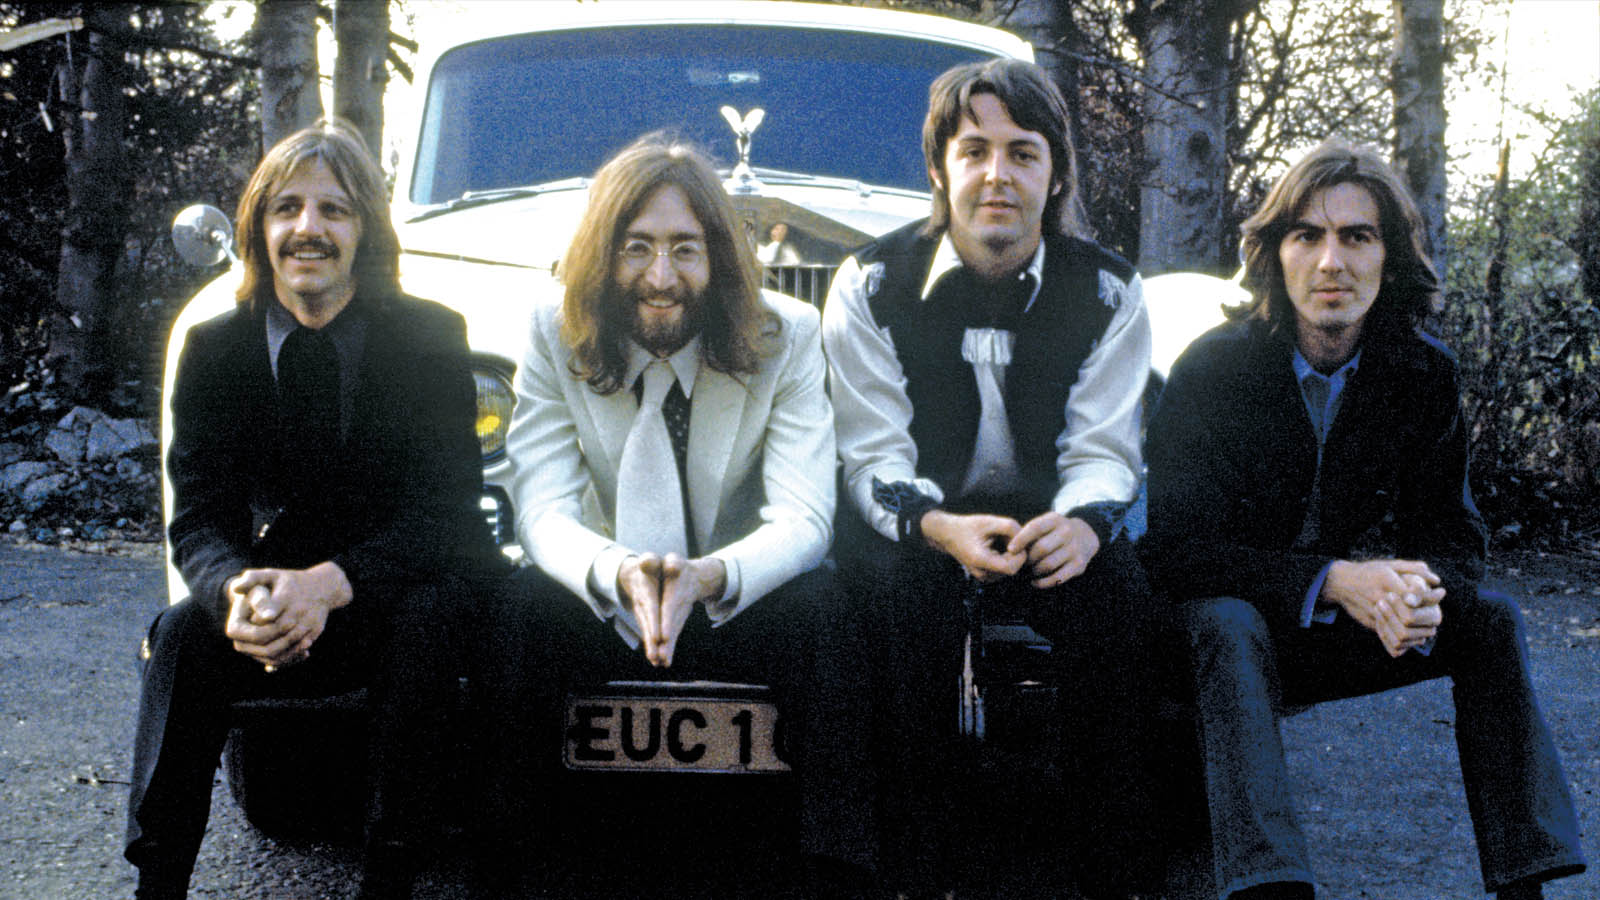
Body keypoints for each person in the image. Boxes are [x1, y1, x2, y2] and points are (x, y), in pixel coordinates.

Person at [1140, 139, 1587, 900]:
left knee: (1488, 621)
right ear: (1275, 255)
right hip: (1193, 644)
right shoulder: (1215, 368)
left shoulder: (1420, 373)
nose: (1331, 262)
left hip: (1316, 632)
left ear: (1390, 257)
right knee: (1227, 619)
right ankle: (1270, 885)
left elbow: (1456, 538)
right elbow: (1175, 554)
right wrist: (1335, 580)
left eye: (1357, 236)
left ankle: (1526, 881)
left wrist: (1412, 589)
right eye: (1306, 235)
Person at [488, 133, 873, 893]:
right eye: (636, 248)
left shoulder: (787, 335)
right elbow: (542, 511)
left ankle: (837, 871)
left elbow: (803, 516)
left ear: (719, 259)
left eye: (685, 250)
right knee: (518, 607)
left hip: (729, 599)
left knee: (828, 609)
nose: (661, 278)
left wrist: (713, 576)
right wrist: (615, 572)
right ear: (603, 255)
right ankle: (513, 870)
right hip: (607, 597)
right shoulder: (549, 330)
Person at [821, 58, 1166, 898]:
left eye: (1023, 152)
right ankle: (916, 867)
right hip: (919, 525)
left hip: (1053, 519)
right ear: (940, 168)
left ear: (1055, 175)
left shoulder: (1112, 291)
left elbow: (1105, 450)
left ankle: (1108, 867)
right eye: (974, 150)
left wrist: (1083, 524)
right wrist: (938, 528)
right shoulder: (869, 285)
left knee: (1123, 598)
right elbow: (872, 455)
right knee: (898, 602)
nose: (997, 175)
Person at [126, 118, 495, 900]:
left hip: (393, 592)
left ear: (365, 228)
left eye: (334, 209)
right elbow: (196, 515)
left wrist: (331, 584)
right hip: (272, 595)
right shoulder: (215, 347)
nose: (308, 229)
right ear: (260, 228)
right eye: (286, 208)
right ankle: (156, 882)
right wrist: (236, 591)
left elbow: (447, 510)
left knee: (433, 624)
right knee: (184, 635)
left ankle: (390, 875)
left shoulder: (432, 337)